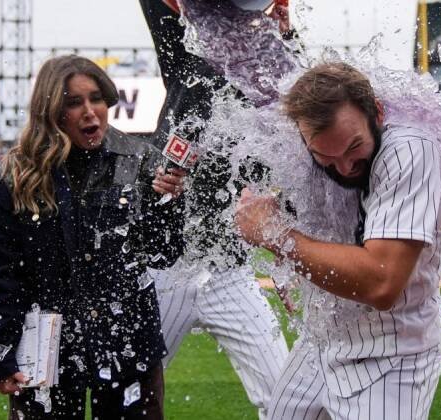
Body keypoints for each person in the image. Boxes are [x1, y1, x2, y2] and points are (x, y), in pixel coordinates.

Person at [0, 55, 186, 419]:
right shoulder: (15, 175)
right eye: (73, 102)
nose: (90, 111)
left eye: (96, 98)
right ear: (50, 110)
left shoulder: (140, 160)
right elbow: (3, 275)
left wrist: (171, 204)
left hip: (127, 340)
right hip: (46, 347)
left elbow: (163, 253)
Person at [235, 62, 441, 419]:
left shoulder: (410, 149)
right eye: (325, 158)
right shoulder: (306, 148)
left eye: (354, 148)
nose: (345, 167)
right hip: (320, 343)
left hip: (391, 356)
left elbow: (382, 281)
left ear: (376, 113)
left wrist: (277, 237)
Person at [138, 0, 289, 416]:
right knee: (131, 393)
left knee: (283, 397)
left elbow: (308, 87)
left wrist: (286, 28)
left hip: (228, 271)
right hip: (166, 269)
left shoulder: (268, 86)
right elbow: (162, 16)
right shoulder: (187, 69)